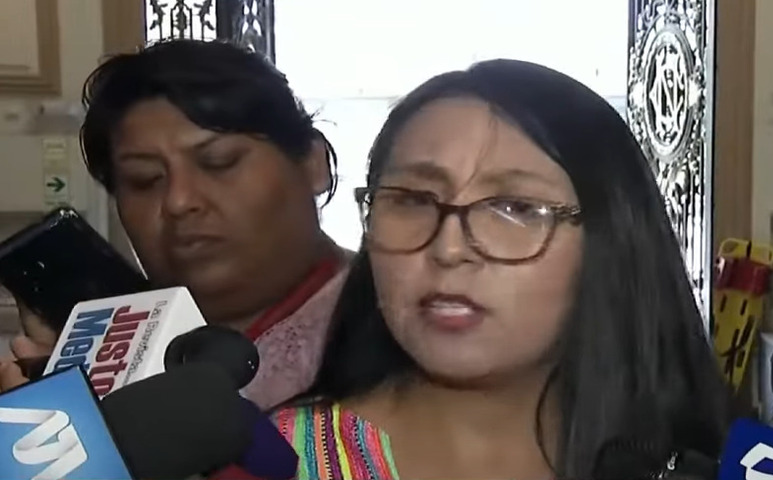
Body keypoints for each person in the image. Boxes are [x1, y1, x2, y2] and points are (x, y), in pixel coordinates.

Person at [269, 60, 733, 479]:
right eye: (412, 200)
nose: (450, 249)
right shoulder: (276, 461)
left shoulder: (712, 465)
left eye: (515, 207)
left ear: (610, 241)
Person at [0, 39, 352, 410]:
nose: (179, 201)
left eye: (219, 162)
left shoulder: (385, 338)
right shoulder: (103, 365)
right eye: (145, 180)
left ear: (313, 164)